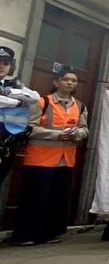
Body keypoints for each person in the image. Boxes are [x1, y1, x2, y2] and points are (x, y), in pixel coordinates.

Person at [11, 65, 88, 246]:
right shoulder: (42, 103)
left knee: (57, 198)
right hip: (40, 159)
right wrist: (57, 135)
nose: (70, 82)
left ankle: (50, 233)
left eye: (73, 80)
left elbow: (85, 129)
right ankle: (25, 235)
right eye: (65, 79)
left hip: (65, 160)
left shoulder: (80, 106)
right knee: (34, 199)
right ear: (56, 82)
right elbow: (29, 128)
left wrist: (78, 134)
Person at [0, 46, 38, 186]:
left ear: (11, 66)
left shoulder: (13, 85)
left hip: (6, 145)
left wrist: (8, 92)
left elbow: (35, 97)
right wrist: (17, 102)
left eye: (6, 63)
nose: (1, 66)